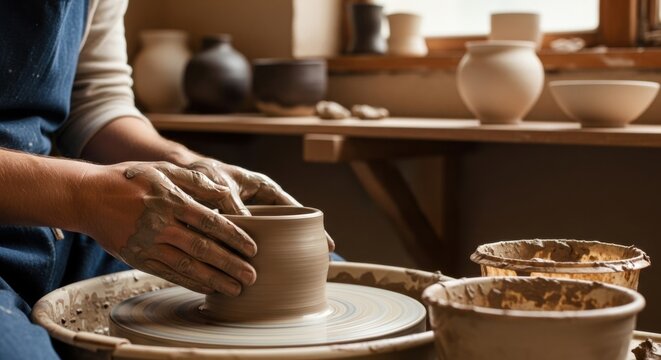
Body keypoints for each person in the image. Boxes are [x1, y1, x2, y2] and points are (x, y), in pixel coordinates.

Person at [0, 1, 335, 358]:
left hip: (58, 227)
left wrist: (186, 166)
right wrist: (86, 196)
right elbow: (83, 192)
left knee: (325, 277)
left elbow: (94, 99)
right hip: (53, 203)